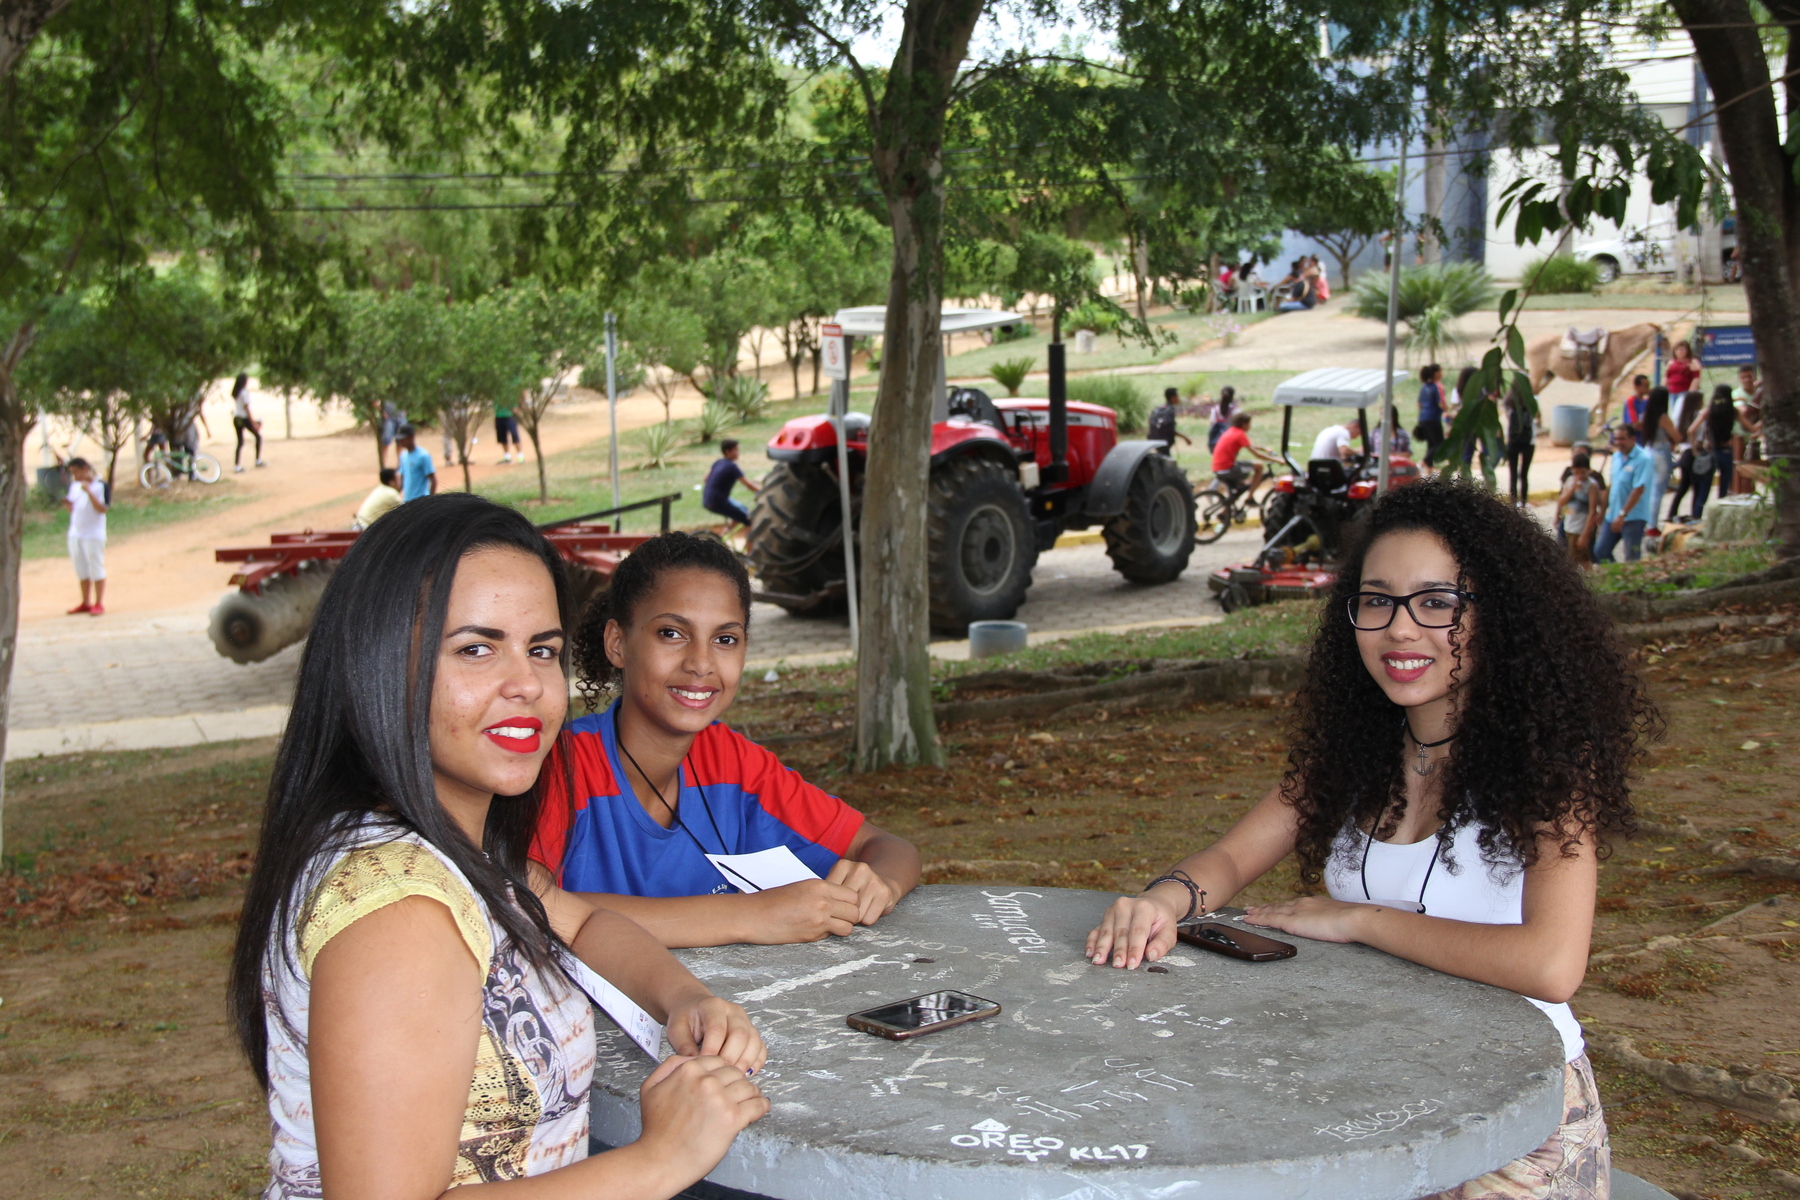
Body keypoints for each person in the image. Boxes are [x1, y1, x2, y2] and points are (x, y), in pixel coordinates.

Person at [1086, 479, 1652, 1199]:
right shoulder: (1356, 755)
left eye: (1437, 603)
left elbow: (1551, 964)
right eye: (1377, 601)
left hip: (1515, 1116)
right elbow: (1230, 857)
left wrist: (1361, 921)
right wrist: (1161, 903)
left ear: (1500, 615)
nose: (1401, 630)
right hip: (1373, 1091)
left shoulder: (1547, 769)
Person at [227, 495, 768, 1198]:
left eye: (541, 649)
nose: (528, 686)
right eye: (476, 649)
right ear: (380, 664)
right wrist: (661, 1159)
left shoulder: (457, 850)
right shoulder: (400, 912)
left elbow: (583, 923)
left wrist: (683, 999)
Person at [531, 532, 922, 949]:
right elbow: (525, 904)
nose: (701, 663)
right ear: (617, 643)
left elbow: (889, 846)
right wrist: (750, 915)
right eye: (671, 633)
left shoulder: (731, 763)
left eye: (725, 640)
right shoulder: (559, 768)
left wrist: (880, 882)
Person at [1593, 423, 1653, 564]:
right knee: (1601, 551)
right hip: (1612, 514)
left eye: (1622, 439)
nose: (1618, 442)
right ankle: (1615, 574)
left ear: (1632, 439)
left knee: (1632, 556)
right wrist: (1602, 511)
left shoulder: (1643, 459)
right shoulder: (1617, 457)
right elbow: (1612, 484)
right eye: (1616, 439)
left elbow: (1639, 489)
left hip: (1633, 516)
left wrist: (1622, 514)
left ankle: (1629, 577)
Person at [60, 456, 108, 615]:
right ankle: (85, 602)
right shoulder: (75, 486)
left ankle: (99, 602)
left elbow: (102, 509)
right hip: (76, 533)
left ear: (85, 469)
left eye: (76, 472)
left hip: (93, 534)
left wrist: (89, 492)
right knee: (81, 569)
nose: (75, 476)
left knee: (96, 567)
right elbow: (74, 509)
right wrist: (67, 504)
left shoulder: (100, 486)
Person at [1637, 386, 1681, 534]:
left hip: (1648, 450)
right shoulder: (1663, 417)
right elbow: (1677, 437)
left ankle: (1645, 523)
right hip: (1661, 453)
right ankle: (1652, 526)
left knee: (1648, 490)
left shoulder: (1646, 415)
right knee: (1658, 491)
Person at [1212, 411, 1281, 495]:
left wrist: (1264, 449)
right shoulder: (1240, 434)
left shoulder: (1232, 431)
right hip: (1228, 469)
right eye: (1249, 424)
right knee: (1259, 466)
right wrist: (1278, 460)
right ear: (1244, 424)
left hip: (1218, 467)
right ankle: (1250, 497)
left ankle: (1237, 493)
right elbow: (1257, 455)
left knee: (1242, 479)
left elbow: (1249, 445)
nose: (1250, 426)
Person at [700, 439, 760, 530]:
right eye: (736, 450)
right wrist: (763, 491)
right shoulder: (732, 466)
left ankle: (723, 535)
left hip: (708, 499)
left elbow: (705, 479)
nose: (738, 452)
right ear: (727, 451)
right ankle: (749, 540)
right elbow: (748, 485)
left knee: (743, 510)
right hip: (718, 502)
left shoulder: (718, 462)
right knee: (750, 521)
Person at [1557, 452, 1603, 568]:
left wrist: (1585, 534)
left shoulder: (1591, 486)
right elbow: (1561, 501)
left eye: (1582, 473)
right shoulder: (1570, 481)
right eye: (1576, 473)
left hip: (1581, 526)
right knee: (1570, 556)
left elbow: (1592, 510)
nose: (1579, 476)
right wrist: (1572, 489)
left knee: (1582, 559)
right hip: (1569, 524)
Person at [1501, 379, 1537, 507]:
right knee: (1524, 474)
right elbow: (1537, 418)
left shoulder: (1508, 402)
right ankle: (1524, 502)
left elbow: (1507, 419)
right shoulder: (1532, 401)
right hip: (1528, 441)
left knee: (1513, 474)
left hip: (1513, 441)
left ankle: (1513, 502)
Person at [231, 374, 267, 473]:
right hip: (244, 418)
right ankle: (258, 460)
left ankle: (237, 465)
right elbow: (247, 408)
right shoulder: (244, 392)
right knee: (258, 437)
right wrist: (253, 422)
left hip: (237, 418)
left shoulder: (236, 393)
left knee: (240, 442)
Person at [395, 423, 438, 502]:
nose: (401, 441)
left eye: (403, 439)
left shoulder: (423, 456)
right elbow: (403, 478)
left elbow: (433, 480)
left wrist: (430, 500)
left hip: (420, 502)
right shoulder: (403, 456)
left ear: (411, 437)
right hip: (407, 501)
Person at [1414, 365, 1446, 468]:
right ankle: (1422, 463)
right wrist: (1448, 411)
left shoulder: (1424, 387)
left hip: (1423, 418)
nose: (1442, 374)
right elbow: (1441, 404)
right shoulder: (1437, 386)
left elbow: (1419, 403)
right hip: (1433, 418)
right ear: (1435, 373)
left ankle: (1429, 469)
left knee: (1431, 444)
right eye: (1440, 371)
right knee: (1439, 444)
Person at [496, 393, 525, 464]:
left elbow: (523, 392)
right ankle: (507, 457)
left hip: (510, 415)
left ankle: (520, 456)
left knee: (514, 434)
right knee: (502, 437)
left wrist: (520, 407)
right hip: (499, 415)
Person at [1206, 386, 1238, 451]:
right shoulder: (1236, 410)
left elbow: (1211, 425)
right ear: (1233, 396)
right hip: (1230, 442)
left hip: (1216, 442)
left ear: (1221, 396)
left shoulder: (1214, 409)